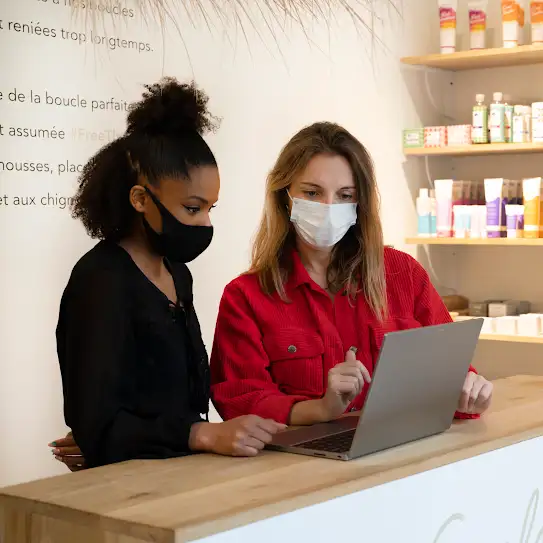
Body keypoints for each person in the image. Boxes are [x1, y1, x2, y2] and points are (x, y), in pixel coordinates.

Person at [50, 78, 284, 470]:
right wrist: (201, 434)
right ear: (140, 199)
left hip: (179, 475)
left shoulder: (178, 273)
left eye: (211, 208)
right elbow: (99, 425)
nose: (205, 222)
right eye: (193, 208)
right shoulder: (99, 283)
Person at [209, 121, 493, 426]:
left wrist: (471, 390)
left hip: (401, 453)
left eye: (345, 195)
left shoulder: (403, 274)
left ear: (360, 204)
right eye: (312, 192)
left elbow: (449, 369)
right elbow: (239, 401)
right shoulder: (246, 296)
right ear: (284, 196)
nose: (329, 207)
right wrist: (319, 410)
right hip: (299, 464)